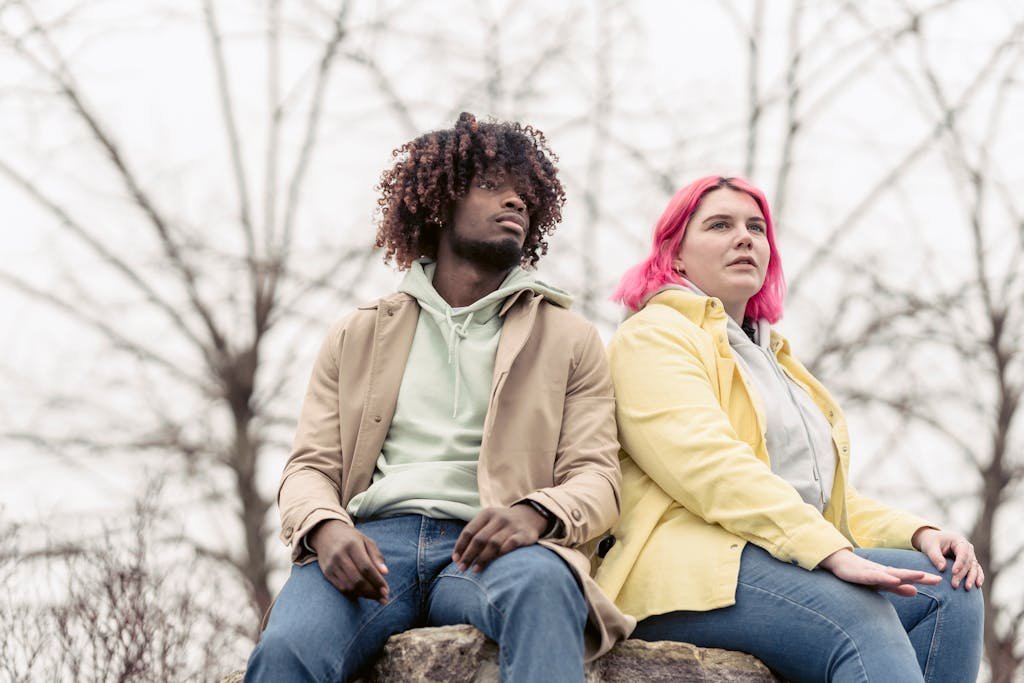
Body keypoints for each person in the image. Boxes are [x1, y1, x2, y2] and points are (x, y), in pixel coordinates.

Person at [245, 112, 633, 682]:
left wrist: (532, 515)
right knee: (287, 650)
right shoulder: (359, 333)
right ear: (440, 204)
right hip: (374, 546)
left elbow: (597, 476)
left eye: (526, 195)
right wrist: (327, 529)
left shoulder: (569, 339)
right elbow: (309, 467)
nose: (516, 203)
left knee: (545, 590)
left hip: (494, 546)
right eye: (492, 187)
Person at [594, 175, 984, 682]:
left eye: (756, 227)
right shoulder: (652, 336)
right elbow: (710, 468)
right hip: (685, 573)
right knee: (859, 614)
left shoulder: (776, 361)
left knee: (949, 591)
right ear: (676, 255)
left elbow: (820, 500)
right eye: (720, 225)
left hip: (778, 554)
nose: (745, 237)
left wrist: (919, 533)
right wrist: (830, 553)